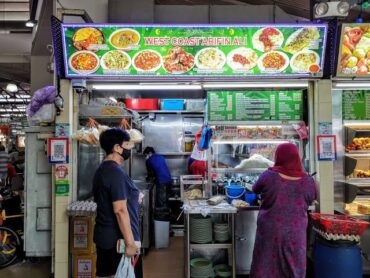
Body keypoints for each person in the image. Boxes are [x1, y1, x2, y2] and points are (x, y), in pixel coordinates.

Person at [250, 143, 317, 278]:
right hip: (295, 232)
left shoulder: (268, 175)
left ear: (278, 157)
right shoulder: (308, 181)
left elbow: (255, 189)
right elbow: (311, 198)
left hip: (270, 230)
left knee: (265, 263)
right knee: (292, 266)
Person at [93, 128, 142, 278]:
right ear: (117, 148)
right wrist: (130, 243)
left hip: (105, 237)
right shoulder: (115, 172)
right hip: (118, 242)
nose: (130, 148)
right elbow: (120, 210)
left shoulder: (103, 169)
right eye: (127, 144)